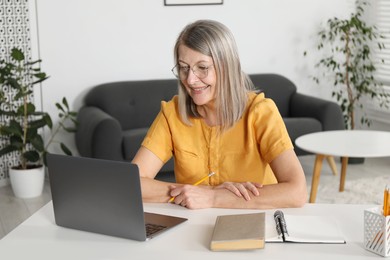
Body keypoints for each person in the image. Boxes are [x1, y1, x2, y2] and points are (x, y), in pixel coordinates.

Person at [132, 19, 307, 209]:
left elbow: (297, 192)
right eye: (184, 68)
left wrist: (214, 198)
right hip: (192, 224)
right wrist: (195, 194)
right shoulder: (172, 114)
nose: (190, 79)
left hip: (254, 223)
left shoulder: (260, 112)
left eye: (203, 67)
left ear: (227, 66)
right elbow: (132, 183)